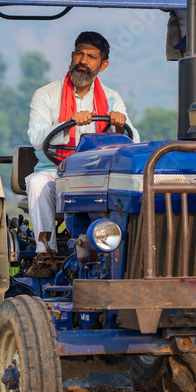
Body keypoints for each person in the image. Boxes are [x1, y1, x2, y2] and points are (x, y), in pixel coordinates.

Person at [24, 31, 139, 278]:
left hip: (95, 176)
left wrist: (119, 126)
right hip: (55, 171)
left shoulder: (112, 98)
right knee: (37, 184)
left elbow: (134, 140)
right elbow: (35, 136)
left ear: (103, 65)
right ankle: (46, 255)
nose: (83, 61)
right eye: (80, 54)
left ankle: (122, 255)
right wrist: (68, 123)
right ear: (72, 55)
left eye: (91, 57)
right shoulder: (46, 94)